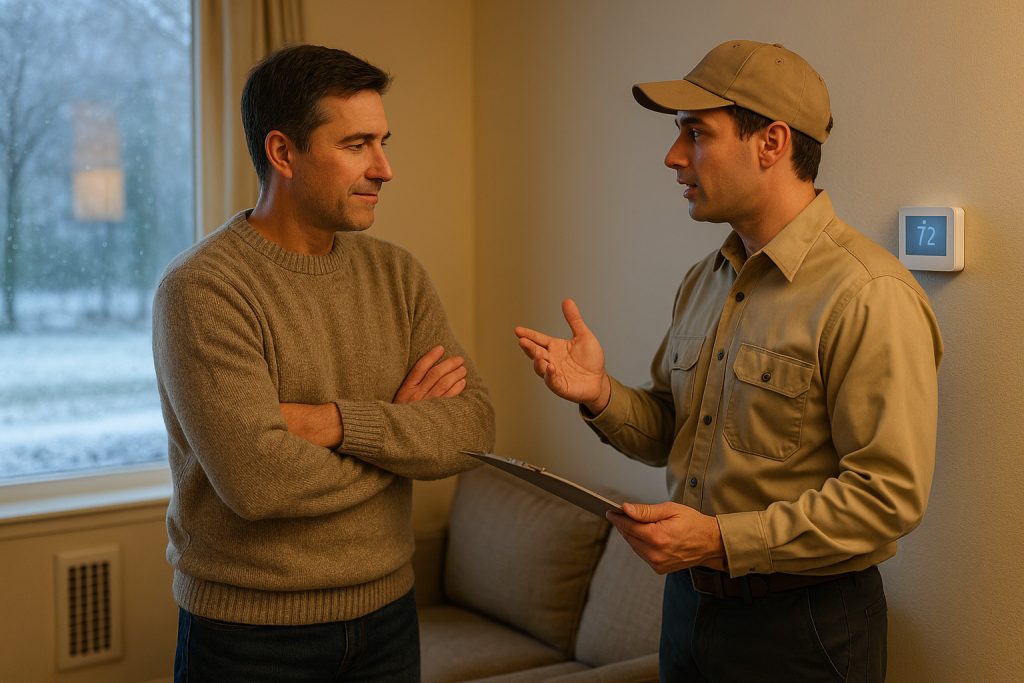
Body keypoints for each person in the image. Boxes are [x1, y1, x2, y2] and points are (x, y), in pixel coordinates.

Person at [515, 40, 941, 682]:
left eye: (696, 134)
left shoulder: (868, 294)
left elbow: (888, 498)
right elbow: (672, 431)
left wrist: (718, 540)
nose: (672, 156)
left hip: (803, 625)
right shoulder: (706, 279)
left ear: (771, 143)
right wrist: (598, 393)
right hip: (688, 608)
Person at [152, 44, 495, 682]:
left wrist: (333, 424)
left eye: (383, 142)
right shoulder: (202, 288)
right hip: (248, 637)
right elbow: (258, 484)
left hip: (390, 617)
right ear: (283, 153)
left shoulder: (399, 275)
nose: (385, 169)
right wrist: (400, 435)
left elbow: (473, 431)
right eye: (357, 145)